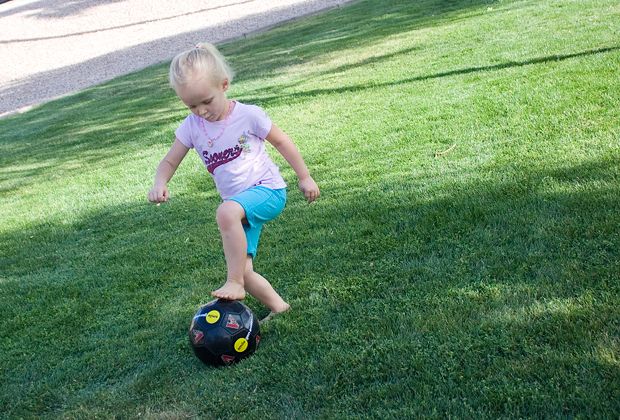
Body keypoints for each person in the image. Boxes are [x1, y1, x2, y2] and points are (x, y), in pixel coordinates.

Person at [148, 42, 320, 320]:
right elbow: (170, 160)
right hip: (238, 206)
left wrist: (304, 176)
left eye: (207, 101)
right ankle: (279, 307)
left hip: (267, 191)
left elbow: (281, 140)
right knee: (243, 266)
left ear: (224, 85)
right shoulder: (191, 126)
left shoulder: (248, 115)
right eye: (191, 105)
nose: (201, 111)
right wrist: (159, 181)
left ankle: (234, 283)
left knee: (226, 212)